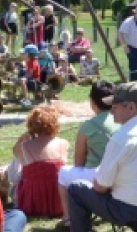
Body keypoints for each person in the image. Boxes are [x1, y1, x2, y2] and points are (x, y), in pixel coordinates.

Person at [66, 82, 137, 232]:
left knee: (76, 189)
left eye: (115, 107)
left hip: (136, 211)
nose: (111, 111)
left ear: (131, 108)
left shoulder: (123, 137)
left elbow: (101, 186)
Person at [56, 80, 118, 229]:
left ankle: (68, 217)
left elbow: (79, 161)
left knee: (63, 174)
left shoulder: (88, 126)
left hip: (97, 175)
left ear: (92, 102)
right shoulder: (122, 121)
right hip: (120, 175)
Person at [12, 105, 69, 218]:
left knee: (15, 165)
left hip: (32, 202)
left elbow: (15, 152)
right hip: (58, 201)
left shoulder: (25, 146)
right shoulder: (63, 143)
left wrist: (22, 138)